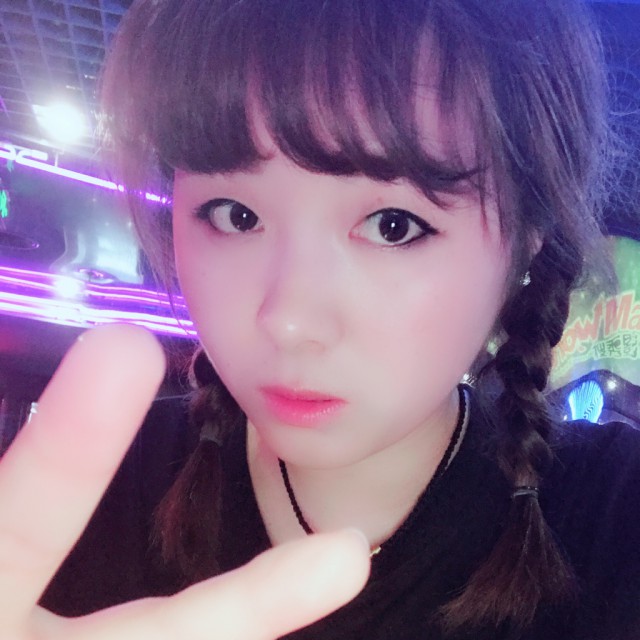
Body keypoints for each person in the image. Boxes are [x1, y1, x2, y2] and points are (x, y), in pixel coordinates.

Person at [2, 0, 639, 638]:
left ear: (525, 243)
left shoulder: (611, 517)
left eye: (394, 226)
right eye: (234, 215)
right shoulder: (72, 501)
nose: (289, 322)